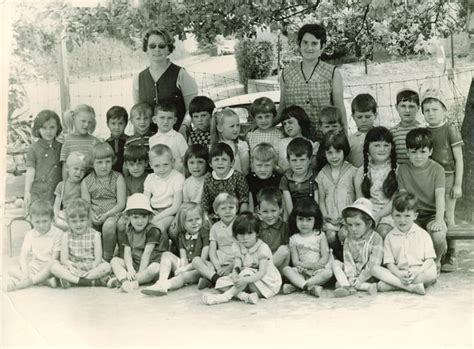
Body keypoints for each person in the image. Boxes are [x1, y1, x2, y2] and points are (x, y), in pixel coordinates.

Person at [277, 23, 347, 139]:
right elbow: (282, 109)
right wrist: (259, 125)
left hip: (327, 141)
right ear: (299, 44)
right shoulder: (286, 74)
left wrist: (345, 139)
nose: (309, 48)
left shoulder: (332, 73)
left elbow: (340, 110)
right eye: (305, 42)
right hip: (297, 145)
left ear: (322, 46)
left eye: (314, 43)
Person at [421, 88, 464, 272]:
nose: (431, 113)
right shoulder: (423, 132)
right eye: (427, 110)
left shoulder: (450, 130)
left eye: (435, 109)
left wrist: (457, 184)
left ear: (444, 110)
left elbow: (459, 159)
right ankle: (435, 251)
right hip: (430, 179)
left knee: (448, 216)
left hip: (447, 178)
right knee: (434, 215)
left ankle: (452, 254)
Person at [202, 212, 282, 305]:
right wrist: (235, 275)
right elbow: (237, 265)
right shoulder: (238, 246)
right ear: (236, 234)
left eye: (249, 233)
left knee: (246, 272)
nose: (245, 238)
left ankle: (224, 297)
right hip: (247, 280)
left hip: (265, 284)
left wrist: (244, 280)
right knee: (220, 282)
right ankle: (244, 296)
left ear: (257, 233)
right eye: (241, 234)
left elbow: (261, 273)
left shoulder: (262, 247)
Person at [397, 128, 447, 272]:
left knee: (438, 236)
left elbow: (440, 197)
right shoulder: (403, 170)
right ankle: (416, 262)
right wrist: (407, 219)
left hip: (432, 213)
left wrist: (439, 220)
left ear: (430, 151)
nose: (418, 156)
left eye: (423, 152)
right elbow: (404, 198)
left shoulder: (438, 169)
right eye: (413, 152)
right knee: (408, 234)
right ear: (407, 152)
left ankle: (436, 261)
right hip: (413, 213)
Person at [133, 27, 198, 133]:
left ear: (168, 49)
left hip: (178, 135)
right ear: (146, 49)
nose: (157, 49)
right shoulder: (139, 79)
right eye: (152, 46)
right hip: (150, 138)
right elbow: (137, 112)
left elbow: (191, 109)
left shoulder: (181, 74)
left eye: (162, 46)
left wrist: (184, 128)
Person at [371, 192, 437, 295]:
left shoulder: (423, 234)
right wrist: (399, 274)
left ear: (415, 216)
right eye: (398, 215)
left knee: (433, 269)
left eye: (407, 215)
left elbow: (429, 260)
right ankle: (411, 287)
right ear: (392, 216)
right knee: (374, 269)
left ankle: (393, 285)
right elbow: (389, 263)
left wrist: (416, 273)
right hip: (398, 273)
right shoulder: (389, 237)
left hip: (418, 271)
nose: (402, 220)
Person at [141, 202, 209, 296]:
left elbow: (202, 259)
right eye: (190, 220)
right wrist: (182, 267)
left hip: (200, 268)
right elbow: (183, 258)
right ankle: (161, 281)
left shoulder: (204, 233)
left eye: (197, 219)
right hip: (186, 267)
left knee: (183, 276)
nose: (195, 223)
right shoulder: (181, 235)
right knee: (166, 254)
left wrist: (184, 269)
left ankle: (165, 286)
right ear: (183, 223)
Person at [108, 194, 168, 293]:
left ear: (149, 217)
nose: (140, 221)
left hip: (149, 265)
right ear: (128, 218)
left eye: (144, 217)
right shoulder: (129, 230)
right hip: (136, 264)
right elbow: (127, 253)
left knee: (155, 268)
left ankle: (130, 281)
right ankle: (124, 280)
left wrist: (138, 274)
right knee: (114, 260)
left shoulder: (153, 230)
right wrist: (130, 269)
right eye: (135, 217)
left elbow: (147, 254)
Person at [50, 198, 111, 288]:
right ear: (68, 221)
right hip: (73, 267)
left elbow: (98, 259)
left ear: (88, 219)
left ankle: (74, 281)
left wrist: (93, 266)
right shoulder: (66, 236)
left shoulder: (95, 235)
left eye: (82, 220)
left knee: (106, 267)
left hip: (91, 267)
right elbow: (64, 260)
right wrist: (70, 266)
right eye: (74, 221)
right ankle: (90, 282)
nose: (78, 224)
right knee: (54, 267)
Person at [81, 142, 126, 262]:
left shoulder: (118, 178)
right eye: (99, 162)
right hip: (94, 213)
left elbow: (121, 203)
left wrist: (107, 215)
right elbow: (86, 204)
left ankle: (107, 257)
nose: (104, 166)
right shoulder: (87, 181)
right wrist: (92, 215)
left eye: (107, 161)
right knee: (86, 225)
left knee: (109, 225)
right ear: (92, 163)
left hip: (113, 213)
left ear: (112, 161)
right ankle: (90, 257)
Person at [5, 199, 63, 291]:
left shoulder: (58, 233)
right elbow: (23, 256)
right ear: (31, 220)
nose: (41, 225)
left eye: (45, 221)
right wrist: (25, 272)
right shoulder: (30, 234)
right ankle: (44, 282)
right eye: (37, 222)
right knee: (11, 268)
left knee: (55, 265)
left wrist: (40, 274)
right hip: (35, 266)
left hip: (50, 268)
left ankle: (28, 282)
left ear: (51, 219)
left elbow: (54, 258)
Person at [332, 198, 383, 297]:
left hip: (369, 275)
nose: (353, 229)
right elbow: (348, 260)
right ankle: (346, 286)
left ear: (368, 223)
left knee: (375, 269)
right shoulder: (348, 238)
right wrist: (351, 277)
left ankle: (365, 285)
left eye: (358, 224)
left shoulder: (376, 238)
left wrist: (361, 278)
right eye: (349, 225)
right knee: (336, 263)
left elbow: (374, 262)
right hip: (352, 274)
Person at [281, 198, 332, 297]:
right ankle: (307, 286)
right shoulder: (294, 239)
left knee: (328, 273)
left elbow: (325, 256)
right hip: (302, 271)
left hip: (317, 271)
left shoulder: (320, 235)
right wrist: (307, 267)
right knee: (286, 269)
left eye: (309, 219)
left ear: (315, 220)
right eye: (300, 219)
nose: (304, 223)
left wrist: (316, 266)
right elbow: (295, 261)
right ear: (295, 219)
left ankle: (298, 286)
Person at [316, 131, 355, 257]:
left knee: (345, 234)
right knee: (330, 236)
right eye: (330, 152)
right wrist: (325, 215)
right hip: (330, 219)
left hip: (348, 219)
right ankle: (335, 258)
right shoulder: (322, 174)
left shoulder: (352, 171)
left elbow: (357, 198)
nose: (334, 157)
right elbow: (321, 199)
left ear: (344, 151)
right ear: (324, 153)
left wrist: (347, 218)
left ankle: (349, 259)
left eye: (338, 152)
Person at [354, 126, 398, 238]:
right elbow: (360, 200)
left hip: (389, 213)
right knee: (346, 232)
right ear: (367, 147)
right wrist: (368, 216)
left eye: (386, 145)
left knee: (382, 231)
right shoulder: (361, 171)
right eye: (377, 145)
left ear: (392, 147)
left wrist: (378, 216)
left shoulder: (397, 170)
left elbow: (395, 200)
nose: (382, 149)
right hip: (367, 212)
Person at [193, 193, 239, 289]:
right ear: (216, 211)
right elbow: (212, 251)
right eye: (223, 208)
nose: (227, 211)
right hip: (220, 261)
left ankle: (211, 279)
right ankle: (216, 278)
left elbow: (244, 249)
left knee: (243, 268)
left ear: (236, 209)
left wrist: (230, 267)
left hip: (236, 261)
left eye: (231, 207)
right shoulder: (215, 227)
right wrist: (218, 267)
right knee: (196, 261)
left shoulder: (240, 224)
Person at [144, 144, 185, 245]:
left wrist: (155, 218)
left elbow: (175, 207)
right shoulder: (150, 178)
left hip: (170, 213)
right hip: (153, 212)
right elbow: (145, 201)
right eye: (157, 166)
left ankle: (163, 252)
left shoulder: (178, 177)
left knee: (158, 226)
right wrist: (150, 213)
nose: (161, 169)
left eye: (165, 164)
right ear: (150, 165)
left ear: (173, 162)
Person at [24, 110, 63, 211]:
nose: (48, 131)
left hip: (56, 196)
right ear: (38, 129)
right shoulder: (33, 149)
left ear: (58, 128)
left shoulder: (61, 147)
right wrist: (27, 192)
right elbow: (30, 171)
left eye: (52, 127)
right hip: (38, 195)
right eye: (44, 128)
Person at [201, 142, 249, 216]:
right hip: (215, 216)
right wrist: (206, 219)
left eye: (224, 159)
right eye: (216, 159)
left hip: (235, 216)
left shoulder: (238, 177)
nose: (220, 162)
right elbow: (205, 203)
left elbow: (244, 200)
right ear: (210, 163)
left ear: (232, 162)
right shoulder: (208, 179)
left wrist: (242, 218)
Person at [60, 104, 100, 179]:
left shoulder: (95, 141)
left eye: (89, 122)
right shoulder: (68, 140)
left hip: (91, 183)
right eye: (83, 121)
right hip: (73, 184)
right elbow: (65, 165)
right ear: (74, 118)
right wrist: (65, 185)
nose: (86, 125)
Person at [280, 138, 317, 215]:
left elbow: (317, 203)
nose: (298, 164)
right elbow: (289, 207)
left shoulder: (315, 177)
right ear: (288, 160)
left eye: (302, 160)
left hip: (312, 216)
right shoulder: (286, 179)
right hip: (294, 216)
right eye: (294, 160)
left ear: (310, 160)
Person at [149, 101, 188, 173]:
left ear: (175, 120)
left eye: (169, 118)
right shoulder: (152, 140)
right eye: (162, 118)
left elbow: (185, 159)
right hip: (160, 176)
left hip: (177, 176)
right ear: (154, 120)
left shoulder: (178, 137)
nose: (165, 121)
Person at [256, 187, 290, 270]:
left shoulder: (284, 227)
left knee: (284, 250)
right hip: (261, 262)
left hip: (279, 267)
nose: (269, 215)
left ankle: (264, 272)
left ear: (281, 210)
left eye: (273, 211)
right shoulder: (257, 226)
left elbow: (287, 254)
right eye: (265, 211)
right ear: (259, 211)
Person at [277, 105, 318, 172]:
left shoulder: (309, 143)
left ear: (300, 122)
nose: (287, 126)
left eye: (290, 122)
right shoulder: (281, 143)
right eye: (285, 124)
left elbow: (313, 167)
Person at [210, 108, 250, 176]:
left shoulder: (241, 145)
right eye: (232, 126)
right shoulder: (213, 147)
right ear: (220, 128)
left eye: (238, 125)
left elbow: (245, 170)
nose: (236, 129)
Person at [53, 152, 87, 231]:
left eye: (82, 170)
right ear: (68, 168)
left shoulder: (83, 185)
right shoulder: (62, 185)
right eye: (76, 168)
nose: (79, 172)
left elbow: (86, 203)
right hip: (65, 215)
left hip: (79, 215)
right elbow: (56, 205)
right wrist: (55, 215)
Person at [246, 143, 282, 211]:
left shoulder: (279, 179)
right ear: (252, 163)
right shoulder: (249, 179)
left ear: (274, 163)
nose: (263, 169)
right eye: (259, 165)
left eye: (267, 165)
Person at [390, 88, 422, 165]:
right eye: (403, 106)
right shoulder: (392, 133)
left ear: (418, 107)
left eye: (411, 106)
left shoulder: (422, 131)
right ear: (396, 107)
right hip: (400, 174)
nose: (407, 110)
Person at [347, 93, 377, 168]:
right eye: (359, 117)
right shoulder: (350, 141)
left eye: (367, 116)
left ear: (375, 115)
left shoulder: (382, 137)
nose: (363, 120)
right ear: (353, 117)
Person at [314, 106, 344, 173]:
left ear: (341, 126)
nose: (330, 129)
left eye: (334, 126)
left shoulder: (343, 143)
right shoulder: (318, 146)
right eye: (327, 126)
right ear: (320, 127)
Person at [105, 106, 129, 173]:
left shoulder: (130, 141)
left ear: (126, 124)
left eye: (120, 123)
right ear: (108, 124)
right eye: (113, 123)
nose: (117, 127)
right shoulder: (105, 144)